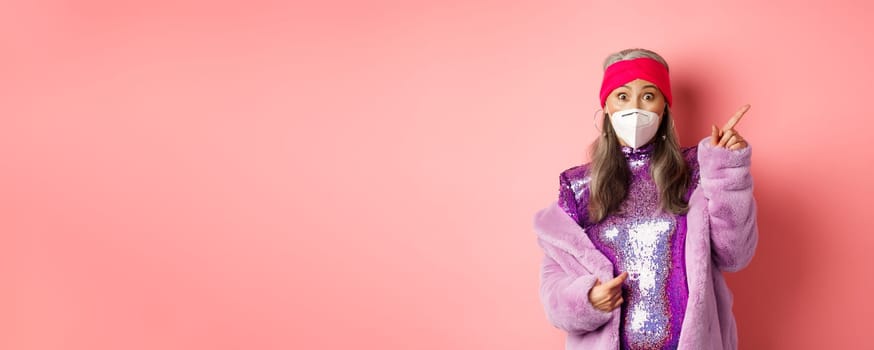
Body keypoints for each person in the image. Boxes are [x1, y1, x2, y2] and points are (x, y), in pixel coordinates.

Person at [533, 48, 758, 350]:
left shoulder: (697, 171)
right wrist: (587, 300)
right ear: (607, 107)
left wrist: (727, 170)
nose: (635, 108)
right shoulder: (578, 187)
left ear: (664, 107)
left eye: (648, 96)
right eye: (623, 96)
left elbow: (734, 256)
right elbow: (553, 286)